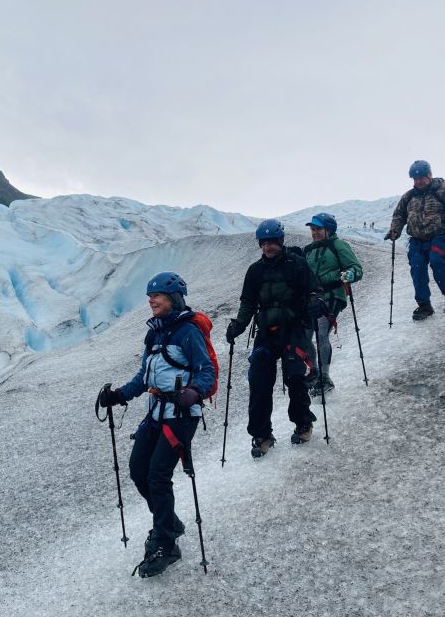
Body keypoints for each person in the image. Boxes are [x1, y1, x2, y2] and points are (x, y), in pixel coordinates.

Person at [101, 271, 214, 578]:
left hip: (180, 415)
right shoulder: (155, 334)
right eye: (150, 296)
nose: (151, 300)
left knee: (158, 475)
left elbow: (206, 372)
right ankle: (170, 523)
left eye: (158, 296)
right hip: (155, 413)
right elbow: (144, 377)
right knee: (139, 470)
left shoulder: (187, 331)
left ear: (173, 298)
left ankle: (166, 542)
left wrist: (194, 391)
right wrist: (119, 395)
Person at [225, 219, 323, 455]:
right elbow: (248, 302)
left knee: (295, 377)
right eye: (264, 243)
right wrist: (238, 325)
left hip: (294, 330)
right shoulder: (255, 271)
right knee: (259, 382)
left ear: (281, 241)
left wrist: (315, 302)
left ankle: (303, 424)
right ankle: (262, 435)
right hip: (266, 334)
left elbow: (314, 289)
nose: (268, 247)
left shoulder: (297, 264)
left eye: (272, 242)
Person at [385, 160, 445, 321]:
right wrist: (395, 230)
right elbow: (399, 215)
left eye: (421, 177)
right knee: (417, 269)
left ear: (429, 175)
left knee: (437, 261)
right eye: (415, 179)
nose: (418, 181)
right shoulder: (409, 196)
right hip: (416, 239)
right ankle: (424, 305)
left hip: (439, 236)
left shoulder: (443, 190)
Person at [303, 213, 363, 395]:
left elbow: (356, 268)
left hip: (333, 295)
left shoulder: (339, 245)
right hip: (312, 299)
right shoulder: (309, 250)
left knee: (321, 333)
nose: (315, 232)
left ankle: (324, 377)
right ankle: (314, 371)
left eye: (318, 229)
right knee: (304, 336)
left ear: (329, 229)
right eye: (313, 229)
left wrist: (351, 273)